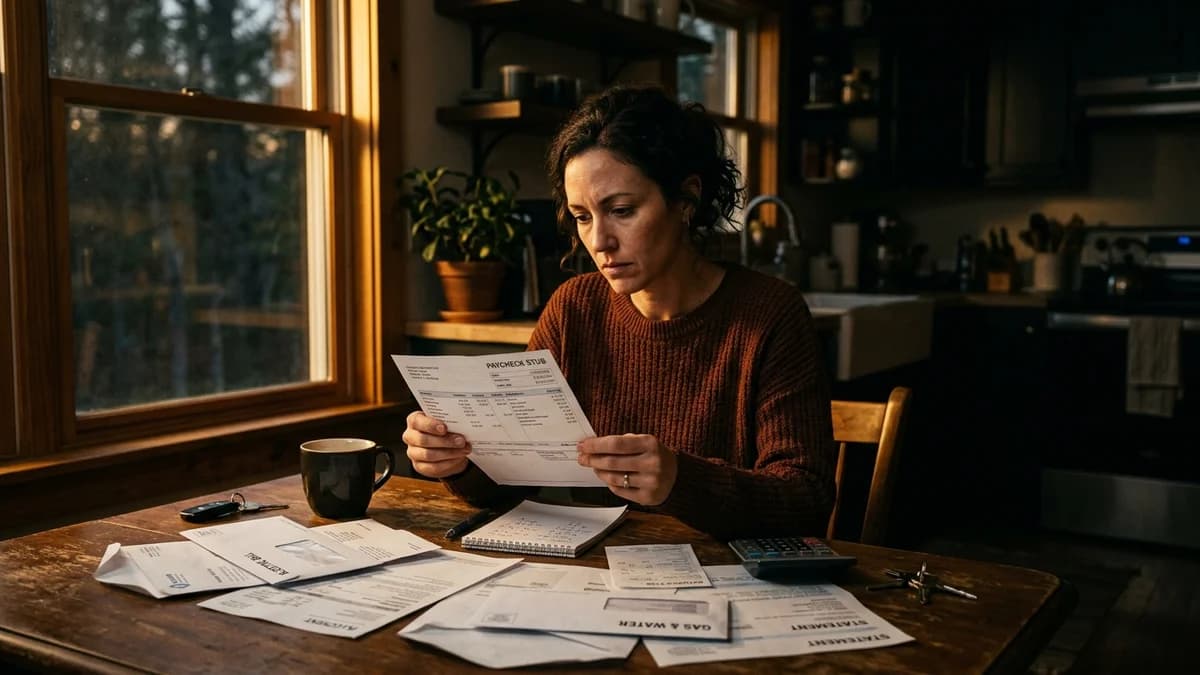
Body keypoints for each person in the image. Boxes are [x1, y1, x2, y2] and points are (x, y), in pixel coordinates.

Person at [403, 84, 836, 540]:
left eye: (622, 210)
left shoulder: (771, 315)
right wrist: (458, 461)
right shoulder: (574, 308)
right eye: (582, 216)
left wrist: (679, 480)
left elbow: (805, 500)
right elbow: (513, 481)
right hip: (588, 574)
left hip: (724, 583)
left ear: (686, 200)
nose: (599, 241)